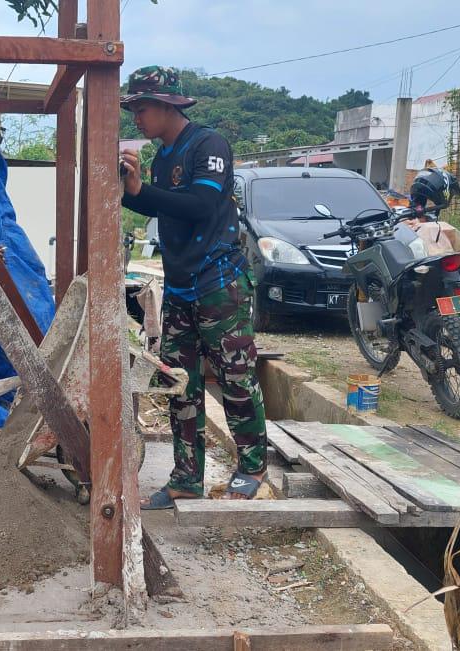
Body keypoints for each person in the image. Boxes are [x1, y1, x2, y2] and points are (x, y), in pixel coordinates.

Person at [118, 66, 268, 507]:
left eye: (142, 109)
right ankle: (186, 477)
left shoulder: (208, 145)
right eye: (133, 110)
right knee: (180, 385)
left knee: (235, 378)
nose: (136, 119)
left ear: (168, 106)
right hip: (181, 288)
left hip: (219, 283)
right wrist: (130, 190)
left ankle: (252, 467)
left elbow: (201, 204)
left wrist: (142, 190)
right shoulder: (163, 157)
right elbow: (161, 205)